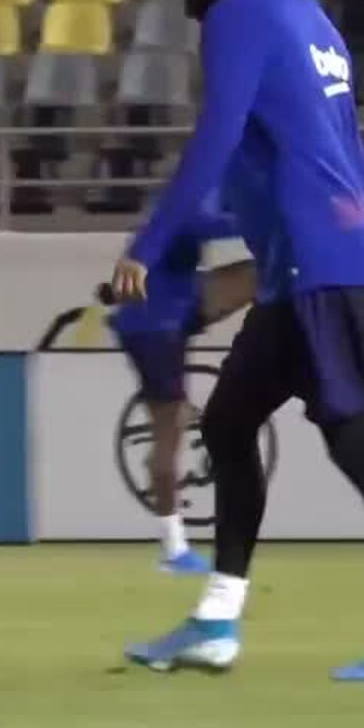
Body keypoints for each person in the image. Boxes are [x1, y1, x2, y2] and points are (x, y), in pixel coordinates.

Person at [111, 0, 364, 682]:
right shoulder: (312, 19)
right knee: (229, 424)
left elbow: (216, 135)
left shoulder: (238, 14)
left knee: (356, 441)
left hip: (312, 266)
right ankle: (216, 620)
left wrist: (151, 242)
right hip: (316, 260)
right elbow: (347, 149)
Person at [105, 191, 255, 574]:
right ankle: (173, 549)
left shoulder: (183, 201)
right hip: (157, 326)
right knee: (169, 435)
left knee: (268, 269)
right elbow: (216, 226)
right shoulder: (188, 204)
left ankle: (316, 330)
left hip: (174, 306)